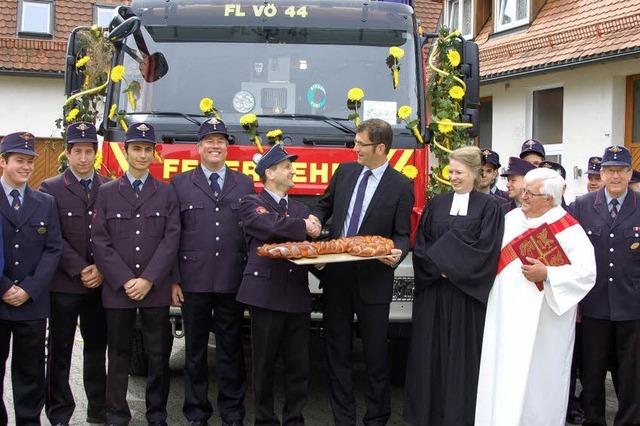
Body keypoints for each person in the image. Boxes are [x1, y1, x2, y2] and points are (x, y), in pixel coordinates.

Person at [309, 118, 412, 425]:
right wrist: (315, 219)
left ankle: (376, 417)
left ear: (380, 148)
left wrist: (397, 252)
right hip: (337, 279)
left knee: (376, 357)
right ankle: (344, 418)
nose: (354, 148)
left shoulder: (401, 185)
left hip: (374, 282)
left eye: (360, 144)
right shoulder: (345, 172)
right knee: (337, 353)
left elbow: (403, 234)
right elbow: (323, 205)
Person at [475, 167, 596, 426]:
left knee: (538, 384)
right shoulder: (511, 219)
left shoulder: (569, 230)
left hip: (544, 326)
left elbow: (586, 274)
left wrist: (548, 273)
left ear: (550, 200)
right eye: (525, 192)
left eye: (531, 194)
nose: (524, 198)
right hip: (505, 318)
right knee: (503, 377)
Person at [404, 146, 504, 426]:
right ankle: (426, 416)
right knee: (429, 356)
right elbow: (421, 245)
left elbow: (487, 250)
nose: (454, 177)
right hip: (434, 292)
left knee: (462, 359)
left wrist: (451, 267)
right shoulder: (436, 204)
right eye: (451, 171)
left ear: (475, 173)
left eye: (459, 172)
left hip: (465, 296)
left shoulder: (490, 208)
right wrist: (440, 268)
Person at [91, 122, 180, 425]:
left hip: (153, 288)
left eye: (147, 149)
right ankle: (117, 414)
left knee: (158, 355)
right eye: (136, 149)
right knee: (118, 355)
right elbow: (100, 241)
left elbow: (171, 239)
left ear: (154, 154)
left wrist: (148, 279)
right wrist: (126, 280)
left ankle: (157, 414)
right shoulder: (107, 192)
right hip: (119, 289)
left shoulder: (167, 192)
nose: (142, 155)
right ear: (126, 151)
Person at [170, 117, 254, 426]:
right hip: (194, 281)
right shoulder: (180, 183)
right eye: (209, 141)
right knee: (194, 351)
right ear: (199, 148)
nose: (215, 145)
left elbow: (249, 233)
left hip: (232, 279)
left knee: (231, 350)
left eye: (221, 141)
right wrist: (174, 278)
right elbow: (173, 234)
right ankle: (196, 412)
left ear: (228, 148)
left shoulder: (243, 183)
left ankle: (232, 412)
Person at [236, 143, 320, 425]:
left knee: (299, 367)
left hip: (297, 296)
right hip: (265, 296)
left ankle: (294, 419)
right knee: (263, 365)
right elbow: (268, 227)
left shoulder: (301, 207)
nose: (291, 170)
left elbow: (310, 244)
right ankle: (265, 420)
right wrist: (303, 226)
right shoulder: (251, 203)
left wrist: (317, 247)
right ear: (270, 173)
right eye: (286, 166)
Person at [40, 122, 110, 425]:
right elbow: (53, 237)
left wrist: (101, 269)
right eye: (77, 151)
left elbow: (113, 235)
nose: (83, 158)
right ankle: (59, 411)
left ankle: (98, 408)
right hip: (65, 284)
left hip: (99, 284)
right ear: (67, 154)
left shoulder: (108, 187)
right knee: (60, 350)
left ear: (95, 153)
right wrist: (81, 268)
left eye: (88, 151)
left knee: (97, 350)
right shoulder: (50, 188)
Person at [571, 145, 640, 426]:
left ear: (629, 173)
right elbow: (571, 255)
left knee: (631, 374)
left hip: (632, 305)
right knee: (592, 372)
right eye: (609, 170)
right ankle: (594, 421)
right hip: (594, 305)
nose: (614, 176)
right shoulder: (582, 206)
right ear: (601, 173)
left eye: (620, 171)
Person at [0, 132, 63, 425]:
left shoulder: (45, 203)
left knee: (30, 374)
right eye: (19, 161)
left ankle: (28, 421)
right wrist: (5, 288)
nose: (25, 167)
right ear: (3, 162)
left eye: (29, 161)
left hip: (32, 304)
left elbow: (53, 250)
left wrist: (28, 289)